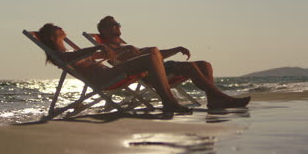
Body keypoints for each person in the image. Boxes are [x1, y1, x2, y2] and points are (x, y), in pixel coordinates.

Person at [96, 16, 251, 109]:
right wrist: (129, 52)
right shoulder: (108, 47)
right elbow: (120, 62)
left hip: (160, 66)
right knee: (189, 67)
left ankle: (213, 100)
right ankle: (221, 97)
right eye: (113, 24)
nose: (118, 25)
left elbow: (156, 55)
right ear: (104, 30)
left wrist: (176, 49)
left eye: (118, 23)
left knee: (205, 64)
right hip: (150, 73)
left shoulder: (124, 45)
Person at [36, 23, 191, 113]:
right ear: (51, 37)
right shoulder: (60, 55)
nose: (60, 27)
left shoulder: (72, 53)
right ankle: (168, 101)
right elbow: (78, 55)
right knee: (151, 56)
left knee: (153, 52)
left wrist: (122, 50)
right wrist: (95, 48)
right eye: (56, 27)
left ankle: (168, 99)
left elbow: (99, 55)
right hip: (105, 78)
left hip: (110, 73)